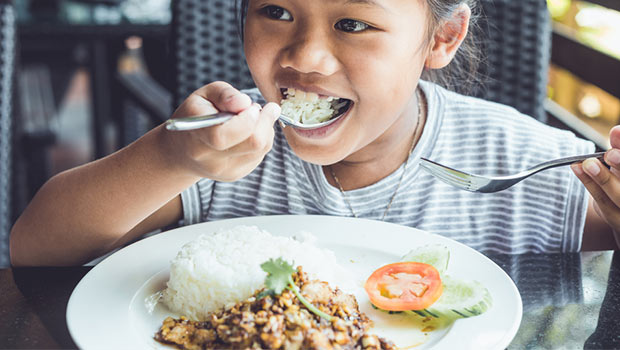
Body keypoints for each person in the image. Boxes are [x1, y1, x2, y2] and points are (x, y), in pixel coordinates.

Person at [9, 0, 620, 266]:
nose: (307, 58)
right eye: (276, 13)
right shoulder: (212, 151)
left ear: (441, 39)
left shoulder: (527, 164)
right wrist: (170, 157)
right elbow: (36, 249)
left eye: (353, 23)